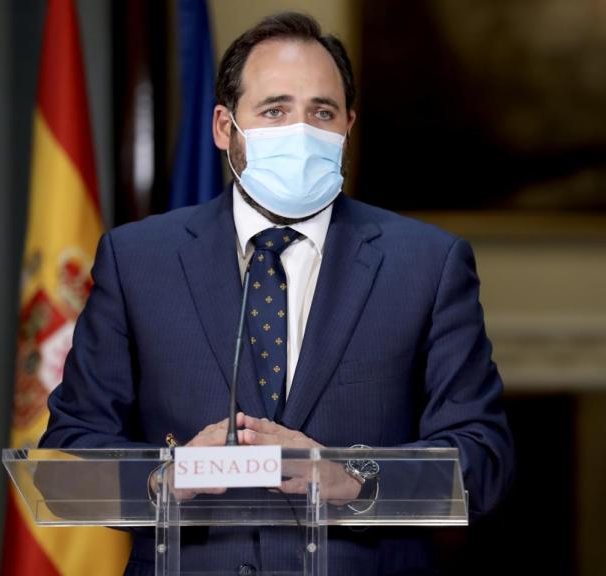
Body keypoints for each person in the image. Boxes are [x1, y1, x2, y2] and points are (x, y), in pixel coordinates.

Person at [40, 12, 514, 575]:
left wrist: (352, 476)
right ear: (224, 127)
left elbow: (482, 460)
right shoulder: (138, 260)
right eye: (274, 110)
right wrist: (165, 476)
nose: (301, 131)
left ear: (347, 127)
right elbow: (69, 451)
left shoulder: (427, 264)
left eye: (322, 112)